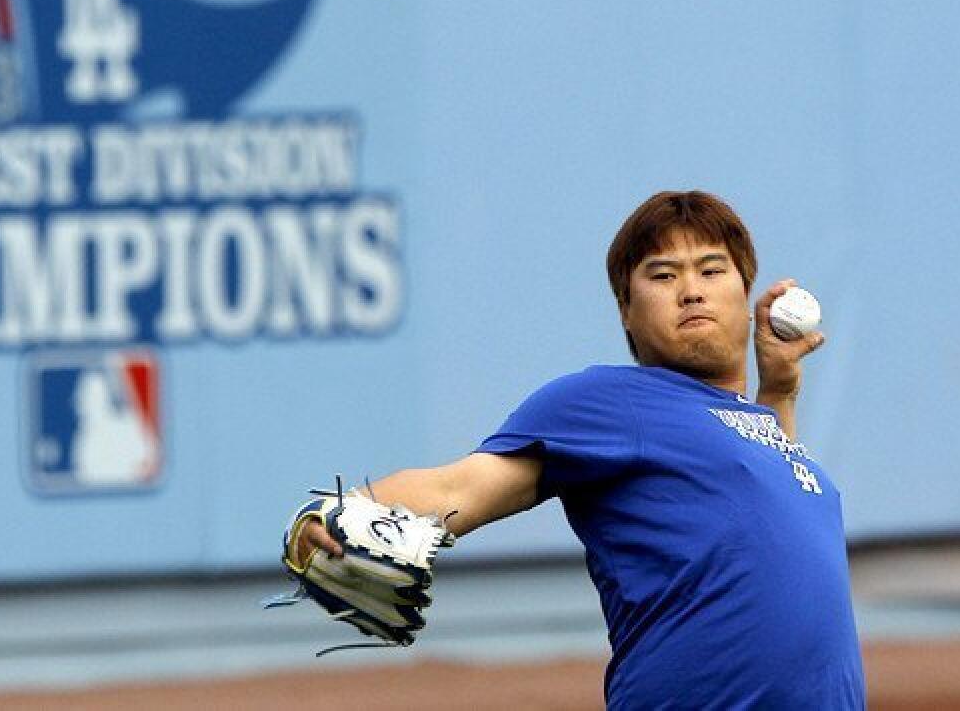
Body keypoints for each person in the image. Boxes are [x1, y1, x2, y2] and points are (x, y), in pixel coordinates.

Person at [288, 191, 865, 709]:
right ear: (626, 312)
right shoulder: (615, 401)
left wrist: (779, 392)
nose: (691, 289)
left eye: (712, 270)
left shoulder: (766, 431)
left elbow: (768, 495)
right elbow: (461, 485)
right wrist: (339, 511)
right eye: (662, 276)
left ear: (745, 291)